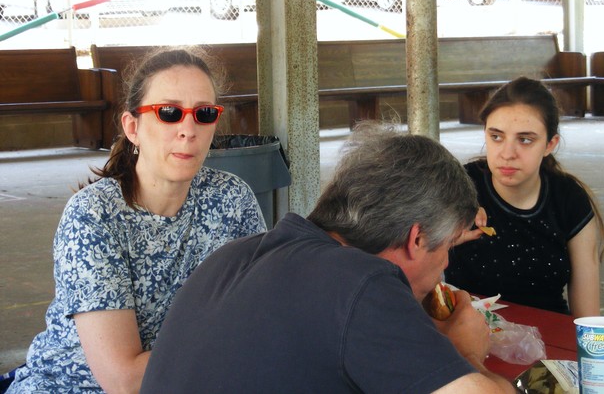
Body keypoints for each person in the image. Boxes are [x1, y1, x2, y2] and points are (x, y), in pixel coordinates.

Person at [140, 121, 515, 394]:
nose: (446, 264)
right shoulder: (362, 283)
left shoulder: (232, 256)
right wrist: (465, 352)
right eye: (448, 247)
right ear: (416, 239)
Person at [7, 47, 266, 393]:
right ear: (132, 127)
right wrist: (235, 345)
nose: (188, 129)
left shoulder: (233, 198)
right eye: (169, 113)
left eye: (204, 113)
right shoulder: (94, 215)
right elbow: (124, 380)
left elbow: (263, 311)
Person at [445, 76, 604, 318]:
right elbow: (408, 270)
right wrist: (444, 238)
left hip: (548, 333)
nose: (507, 153)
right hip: (465, 329)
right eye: (496, 137)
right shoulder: (458, 187)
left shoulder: (569, 199)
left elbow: (588, 319)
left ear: (550, 144)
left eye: (525, 140)